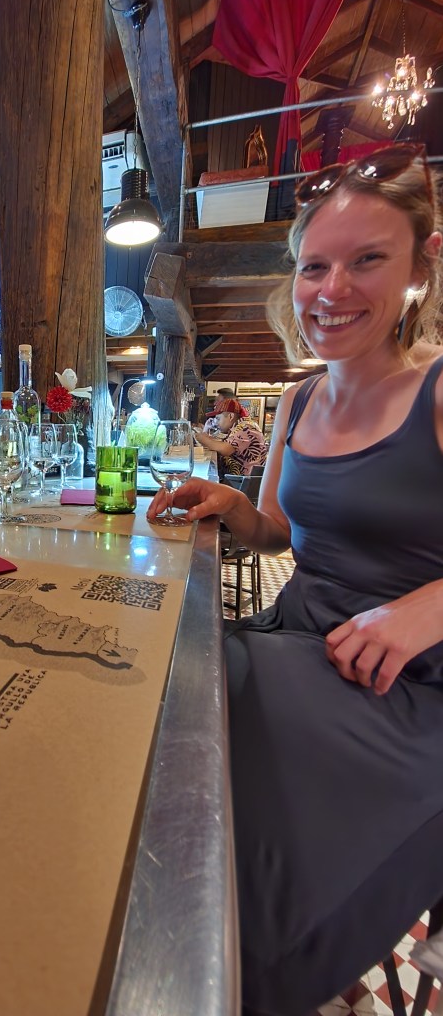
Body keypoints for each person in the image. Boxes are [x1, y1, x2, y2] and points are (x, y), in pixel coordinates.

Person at [147, 143, 443, 1014]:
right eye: (315, 265)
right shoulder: (301, 400)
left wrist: (428, 608)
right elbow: (279, 529)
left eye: (367, 260)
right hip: (302, 640)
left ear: (421, 265)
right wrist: (231, 505)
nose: (332, 288)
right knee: (172, 709)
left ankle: (213, 984)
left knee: (242, 865)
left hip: (406, 685)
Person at [194, 403, 268, 477]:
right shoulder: (238, 426)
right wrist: (206, 432)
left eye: (218, 419)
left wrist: (203, 439)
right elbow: (219, 443)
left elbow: (226, 449)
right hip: (238, 477)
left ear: (231, 416)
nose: (217, 423)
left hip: (244, 480)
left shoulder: (246, 427)